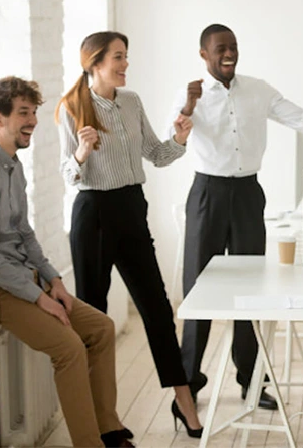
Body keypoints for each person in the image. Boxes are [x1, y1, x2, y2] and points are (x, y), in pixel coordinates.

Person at [169, 23, 303, 409]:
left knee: (251, 291)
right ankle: (188, 387)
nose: (228, 53)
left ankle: (251, 382)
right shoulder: (191, 96)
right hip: (207, 195)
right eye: (220, 48)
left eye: (233, 46)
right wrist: (185, 109)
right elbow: (172, 142)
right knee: (199, 293)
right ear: (204, 54)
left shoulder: (258, 89)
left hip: (248, 194)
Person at [0, 76, 133, 447]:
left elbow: (24, 233)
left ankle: (109, 431)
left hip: (24, 279)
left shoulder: (13, 165)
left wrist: (53, 279)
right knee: (69, 348)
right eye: (23, 113)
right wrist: (39, 298)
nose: (33, 121)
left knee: (101, 328)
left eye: (34, 112)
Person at [56, 31, 202, 437]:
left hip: (131, 210)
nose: (125, 64)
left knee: (156, 308)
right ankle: (103, 419)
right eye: (118, 57)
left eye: (126, 57)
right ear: (95, 62)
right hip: (93, 216)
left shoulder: (132, 101)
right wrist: (82, 154)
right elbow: (68, 175)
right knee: (95, 318)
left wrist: (180, 138)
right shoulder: (71, 108)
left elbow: (156, 155)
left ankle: (183, 400)